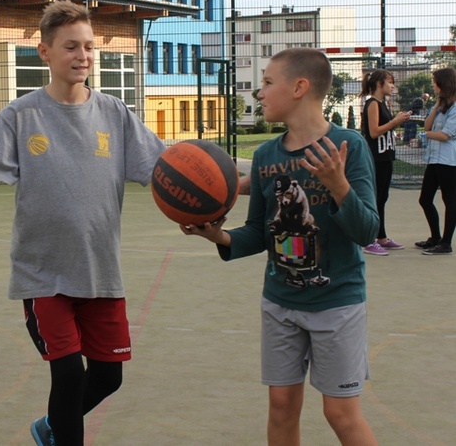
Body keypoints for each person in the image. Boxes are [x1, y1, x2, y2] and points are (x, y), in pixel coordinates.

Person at [0, 0, 165, 446]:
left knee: (108, 377)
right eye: (70, 47)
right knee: (66, 374)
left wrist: (235, 185)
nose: (82, 56)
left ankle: (51, 428)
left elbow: (168, 171)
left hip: (100, 273)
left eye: (89, 47)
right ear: (44, 52)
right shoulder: (22, 115)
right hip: (44, 274)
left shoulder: (115, 114)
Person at [181, 48, 379, 445]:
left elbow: (368, 232)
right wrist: (218, 236)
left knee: (340, 413)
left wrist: (338, 185)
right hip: (280, 302)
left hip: (336, 303)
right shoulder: (266, 156)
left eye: (269, 82)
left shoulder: (348, 146)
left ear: (300, 88)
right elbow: (258, 231)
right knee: (282, 405)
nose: (260, 92)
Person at [358, 69, 411, 256]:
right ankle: (368, 240)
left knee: (382, 197)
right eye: (389, 82)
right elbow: (373, 132)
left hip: (386, 156)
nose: (392, 86)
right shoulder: (372, 103)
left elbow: (383, 129)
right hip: (376, 158)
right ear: (379, 84)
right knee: (374, 198)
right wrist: (395, 122)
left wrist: (394, 127)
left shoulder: (383, 103)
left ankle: (381, 237)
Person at [416, 67, 456, 255]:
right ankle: (435, 237)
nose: (433, 85)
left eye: (435, 81)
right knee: (425, 199)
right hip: (434, 160)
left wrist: (426, 135)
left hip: (448, 162)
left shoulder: (455, 108)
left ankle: (446, 243)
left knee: (450, 201)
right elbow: (427, 124)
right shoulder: (442, 106)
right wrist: (436, 105)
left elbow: (445, 135)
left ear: (443, 83)